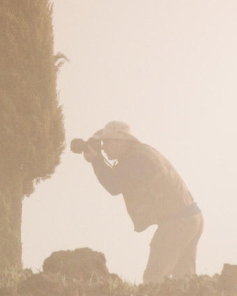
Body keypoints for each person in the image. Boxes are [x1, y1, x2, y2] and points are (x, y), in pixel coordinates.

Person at [80, 121, 203, 284]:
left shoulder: (135, 158)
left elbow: (113, 185)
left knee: (153, 278)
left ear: (120, 140)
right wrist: (97, 158)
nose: (103, 147)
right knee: (184, 280)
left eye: (106, 142)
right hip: (192, 218)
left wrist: (95, 160)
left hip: (177, 223)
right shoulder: (141, 154)